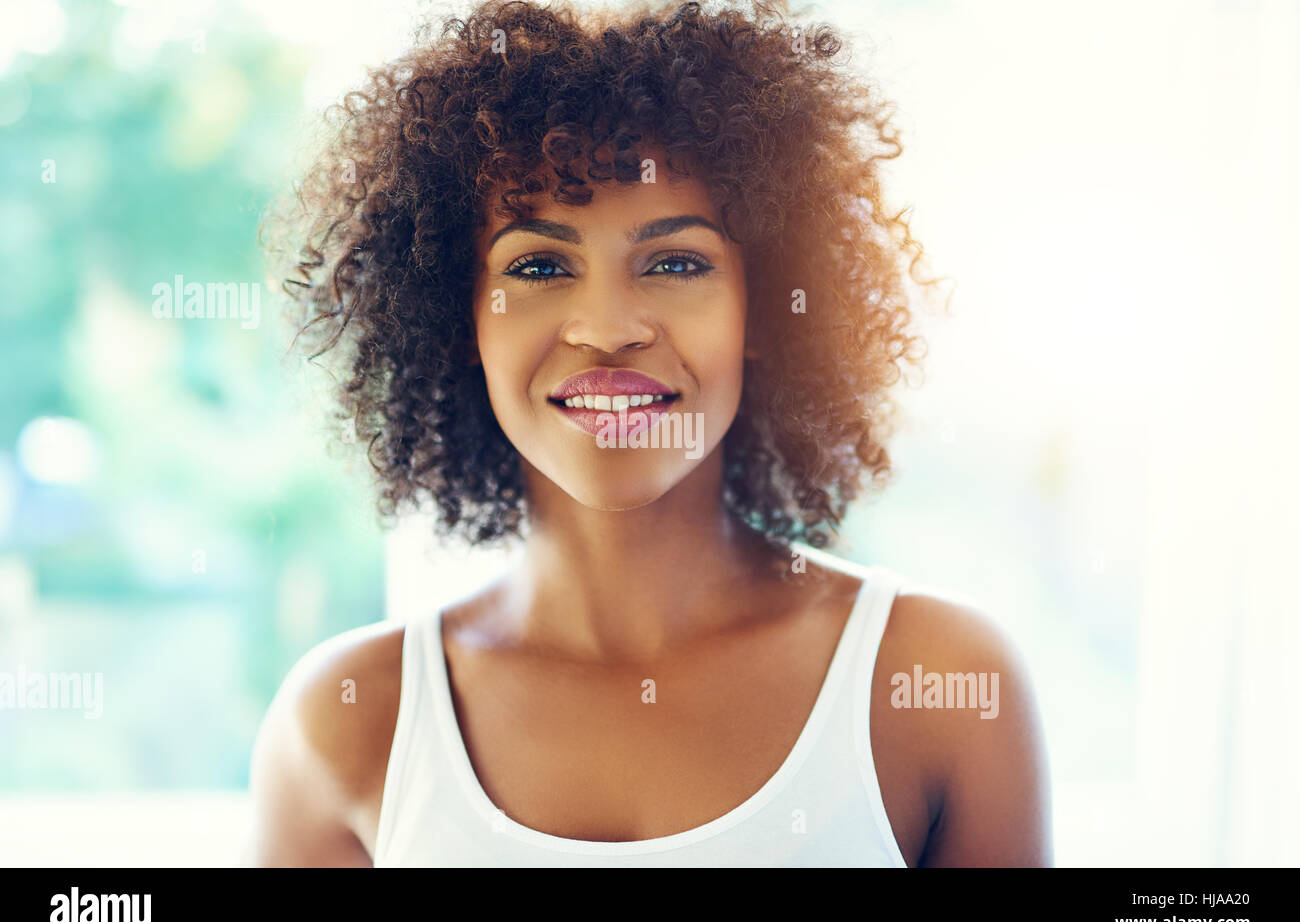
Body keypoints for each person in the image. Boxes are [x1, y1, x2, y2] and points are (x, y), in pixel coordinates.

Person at [245, 0, 1051, 866]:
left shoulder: (940, 687)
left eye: (675, 262)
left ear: (767, 305)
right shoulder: (345, 724)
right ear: (459, 317)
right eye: (540, 265)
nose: (606, 327)